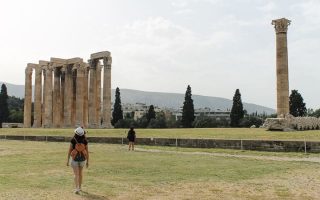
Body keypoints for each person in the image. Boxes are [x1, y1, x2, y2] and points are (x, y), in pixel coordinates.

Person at [67, 127, 89, 194]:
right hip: (82, 159)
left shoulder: (73, 140)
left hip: (74, 159)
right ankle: (80, 187)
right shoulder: (85, 141)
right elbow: (87, 152)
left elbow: (69, 150)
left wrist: (67, 160)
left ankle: (77, 189)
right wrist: (88, 161)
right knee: (80, 174)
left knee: (76, 174)